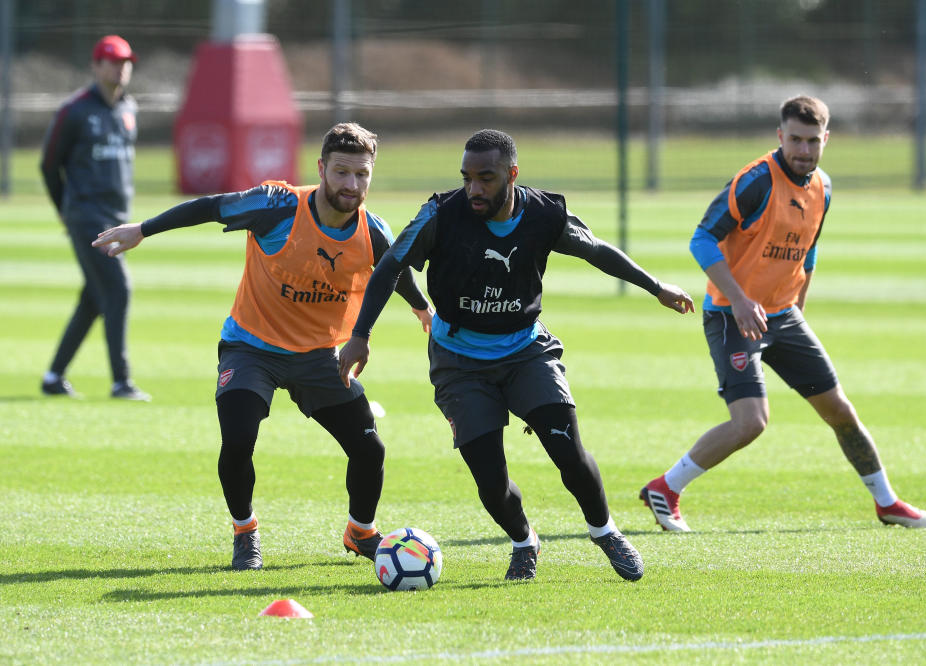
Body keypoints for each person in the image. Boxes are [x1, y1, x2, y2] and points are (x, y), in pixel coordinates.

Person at [338, 129, 696, 582]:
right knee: (490, 478)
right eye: (467, 178)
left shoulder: (542, 214)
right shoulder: (440, 215)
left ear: (512, 174)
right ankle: (524, 541)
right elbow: (390, 264)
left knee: (567, 448)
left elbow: (596, 250)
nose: (474, 189)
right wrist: (361, 334)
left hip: (527, 349)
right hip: (458, 360)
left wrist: (656, 287)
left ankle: (604, 531)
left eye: (485, 178)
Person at [92, 123, 434, 570]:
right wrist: (144, 229)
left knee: (370, 449)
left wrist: (422, 309)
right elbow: (212, 207)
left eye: (362, 175)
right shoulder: (278, 206)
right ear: (321, 168)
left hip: (318, 357)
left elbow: (392, 269)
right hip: (251, 348)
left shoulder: (373, 231)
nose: (352, 185)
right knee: (238, 439)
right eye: (342, 172)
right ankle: (245, 531)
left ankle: (361, 532)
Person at [640, 96, 926, 532]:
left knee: (839, 410)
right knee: (751, 423)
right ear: (780, 136)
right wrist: (740, 300)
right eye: (795, 139)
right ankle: (665, 489)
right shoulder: (756, 181)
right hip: (731, 314)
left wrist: (799, 308)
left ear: (826, 140)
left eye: (812, 141)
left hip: (782, 316)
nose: (803, 150)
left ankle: (887, 503)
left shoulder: (825, 187)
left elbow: (809, 247)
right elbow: (702, 239)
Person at [39, 35, 149, 401]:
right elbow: (49, 164)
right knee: (118, 290)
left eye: (126, 62)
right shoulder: (75, 111)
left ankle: (54, 376)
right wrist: (67, 212)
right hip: (86, 215)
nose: (121, 69)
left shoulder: (128, 108)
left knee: (94, 298)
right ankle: (122, 382)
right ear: (96, 65)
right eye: (113, 61)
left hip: (116, 218)